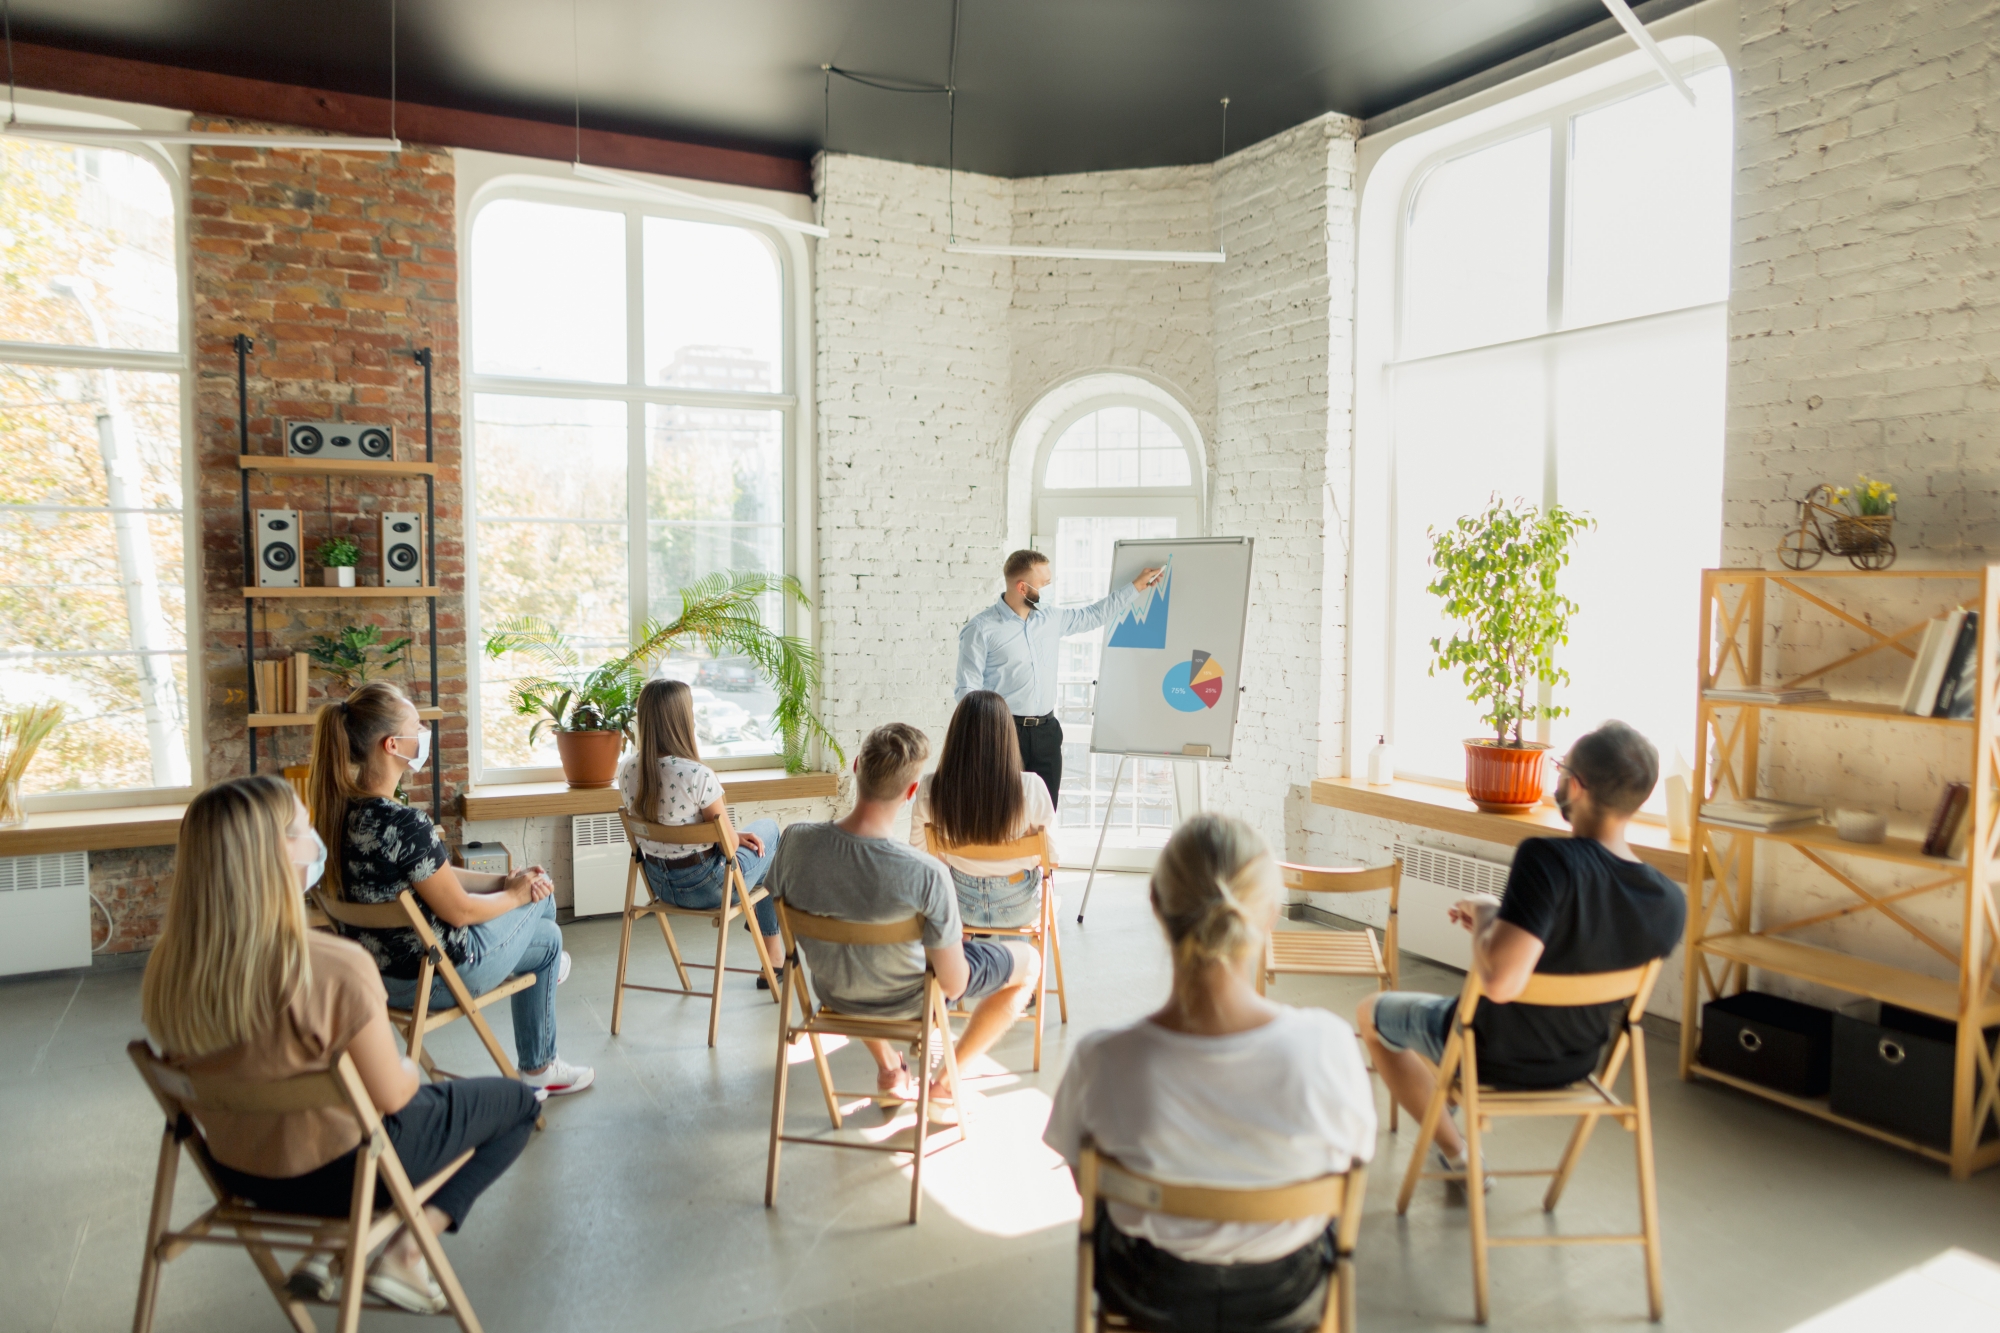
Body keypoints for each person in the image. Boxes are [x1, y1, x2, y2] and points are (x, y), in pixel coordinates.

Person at [142, 775, 542, 1313]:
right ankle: (404, 1254)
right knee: (517, 1104)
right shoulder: (333, 967)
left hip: (241, 1173)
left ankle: (328, 1248)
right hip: (343, 1178)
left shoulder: (169, 971)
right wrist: (404, 1066)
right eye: (301, 828)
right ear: (273, 855)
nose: (314, 839)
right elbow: (394, 1095)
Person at [1043, 814, 1377, 1333]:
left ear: (1156, 903)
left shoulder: (1101, 1059)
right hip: (1284, 1292)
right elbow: (1355, 1159)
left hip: (1150, 1290)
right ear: (1270, 913)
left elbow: (1088, 1186)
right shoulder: (1328, 1045)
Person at [1358, 720, 1687, 1184]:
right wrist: (1500, 921)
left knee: (1371, 1013)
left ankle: (1458, 1153)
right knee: (1442, 1030)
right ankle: (1446, 1111)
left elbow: (1500, 983)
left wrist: (1485, 917)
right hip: (1576, 1062)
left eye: (1561, 769)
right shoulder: (1668, 900)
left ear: (1576, 786)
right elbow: (1583, 944)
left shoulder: (1547, 860)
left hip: (1491, 1052)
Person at [308, 680, 593, 1096]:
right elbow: (459, 911)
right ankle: (539, 1065)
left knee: (540, 920)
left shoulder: (338, 815)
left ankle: (548, 999)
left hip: (377, 978)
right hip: (437, 976)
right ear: (392, 745)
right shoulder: (405, 823)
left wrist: (503, 881)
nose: (423, 733)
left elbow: (437, 875)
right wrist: (518, 893)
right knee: (544, 917)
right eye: (416, 727)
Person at [765, 721, 1039, 1102]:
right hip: (910, 1002)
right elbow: (954, 985)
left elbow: (778, 906)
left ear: (857, 766)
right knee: (1030, 963)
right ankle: (944, 1085)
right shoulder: (926, 874)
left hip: (834, 992)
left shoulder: (794, 842)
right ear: (911, 792)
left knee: (858, 955)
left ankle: (890, 1068)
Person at [955, 548, 1164, 808]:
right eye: (1045, 584)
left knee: (1045, 813)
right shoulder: (981, 629)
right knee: (1002, 812)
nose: (1050, 589)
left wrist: (1135, 587)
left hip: (1047, 732)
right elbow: (967, 690)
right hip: (1003, 732)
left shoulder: (1050, 618)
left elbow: (1093, 615)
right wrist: (985, 735)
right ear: (1022, 587)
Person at [617, 677, 785, 984]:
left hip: (659, 886)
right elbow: (729, 848)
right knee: (770, 835)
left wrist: (734, 836)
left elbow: (715, 836)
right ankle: (773, 958)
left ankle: (771, 954)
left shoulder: (628, 770)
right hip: (709, 889)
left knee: (759, 855)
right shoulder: (697, 775)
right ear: (682, 718)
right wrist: (734, 837)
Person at [908, 689, 1055, 929]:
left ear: (957, 735)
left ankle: (968, 944)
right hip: (1019, 906)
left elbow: (920, 854)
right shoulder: (1031, 786)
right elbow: (1053, 857)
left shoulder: (930, 787)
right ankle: (1015, 950)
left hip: (959, 905)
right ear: (1007, 736)